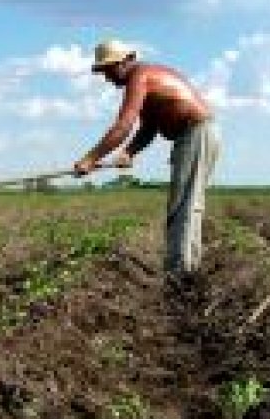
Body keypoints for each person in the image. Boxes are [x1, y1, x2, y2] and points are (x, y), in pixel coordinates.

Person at [75, 39, 220, 276]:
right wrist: (129, 152)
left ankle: (181, 275)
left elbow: (123, 126)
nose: (107, 77)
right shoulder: (147, 79)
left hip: (196, 132)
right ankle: (183, 270)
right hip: (195, 134)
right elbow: (148, 128)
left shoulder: (139, 76)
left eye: (109, 69)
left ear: (127, 61)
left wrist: (90, 159)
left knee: (185, 204)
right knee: (185, 204)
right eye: (103, 71)